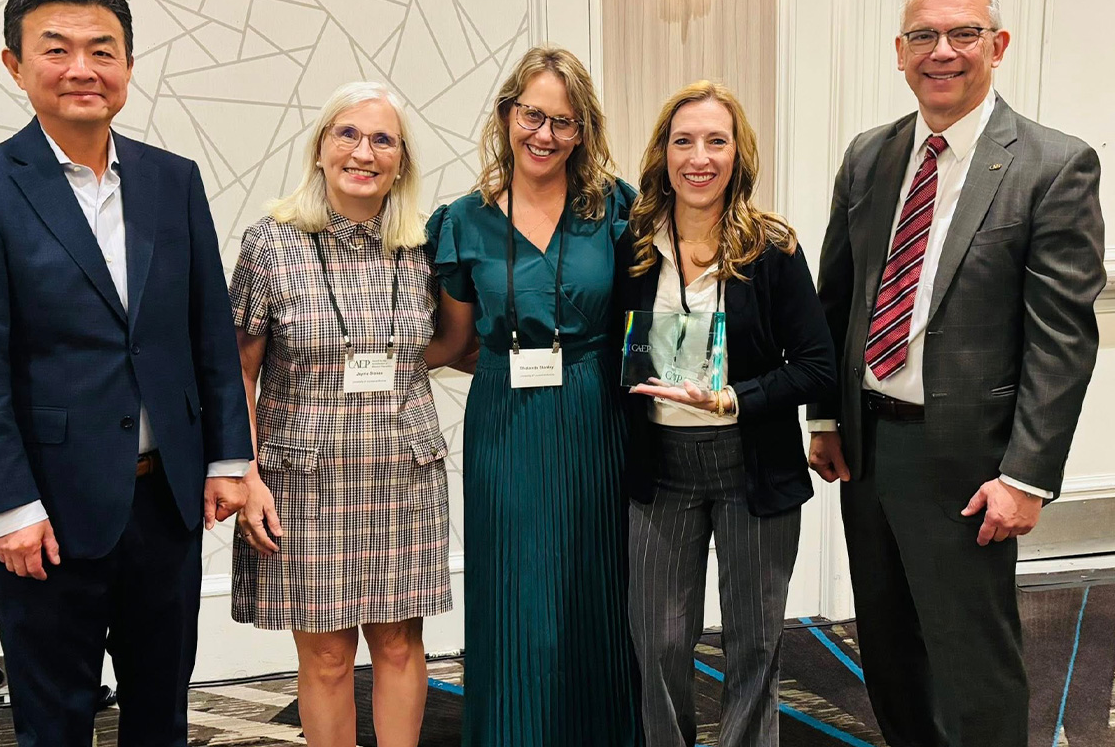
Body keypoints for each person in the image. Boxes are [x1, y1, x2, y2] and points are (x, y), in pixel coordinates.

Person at [0, 0, 253, 747]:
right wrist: (10, 506)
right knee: (56, 723)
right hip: (47, 514)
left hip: (165, 503)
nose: (82, 68)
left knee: (161, 718)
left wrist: (227, 457)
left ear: (128, 66)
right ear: (15, 65)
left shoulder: (172, 181)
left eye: (102, 50)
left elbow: (208, 328)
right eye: (57, 49)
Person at [807, 0, 1104, 747]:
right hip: (868, 454)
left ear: (997, 44)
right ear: (899, 53)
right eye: (923, 36)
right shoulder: (869, 158)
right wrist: (829, 416)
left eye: (963, 33)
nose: (942, 51)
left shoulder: (1051, 165)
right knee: (890, 653)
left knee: (975, 664)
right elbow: (836, 299)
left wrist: (1027, 475)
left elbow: (1063, 339)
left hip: (973, 468)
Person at [424, 46, 641, 746]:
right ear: (507, 114)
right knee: (514, 590)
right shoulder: (465, 219)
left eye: (564, 122)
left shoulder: (616, 207)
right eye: (532, 115)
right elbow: (454, 341)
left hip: (595, 413)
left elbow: (647, 316)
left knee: (595, 584)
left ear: (584, 132)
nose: (545, 135)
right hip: (505, 422)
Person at [229, 81, 451, 747]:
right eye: (347, 134)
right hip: (304, 478)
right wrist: (248, 476)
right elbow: (238, 370)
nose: (364, 151)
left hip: (402, 471)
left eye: (383, 138)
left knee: (400, 646)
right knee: (325, 657)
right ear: (320, 149)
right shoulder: (270, 244)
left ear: (402, 161)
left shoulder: (423, 247)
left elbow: (442, 342)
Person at [615, 81, 836, 747]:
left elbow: (818, 366)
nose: (699, 157)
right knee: (657, 644)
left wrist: (737, 396)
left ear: (738, 154)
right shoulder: (632, 248)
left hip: (753, 467)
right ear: (662, 153)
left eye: (717, 140)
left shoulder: (772, 250)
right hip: (661, 471)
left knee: (753, 646)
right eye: (684, 141)